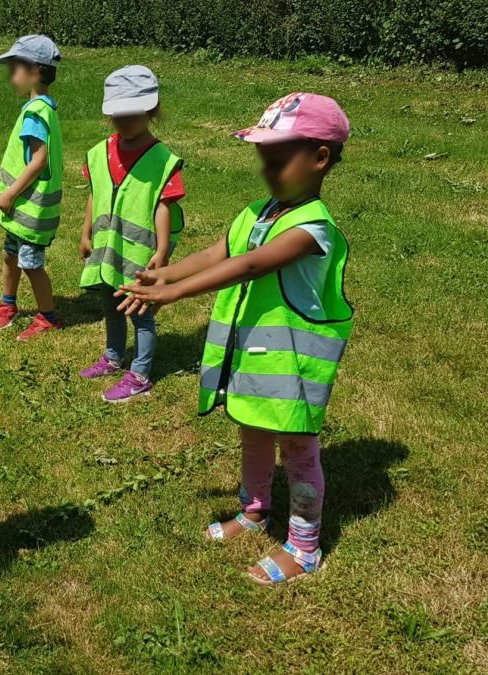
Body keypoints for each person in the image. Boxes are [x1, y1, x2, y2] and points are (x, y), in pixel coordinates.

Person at [117, 93, 354, 585]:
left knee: (298, 451)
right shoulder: (258, 212)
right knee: (251, 433)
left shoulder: (313, 228)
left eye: (278, 158)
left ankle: (305, 546)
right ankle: (255, 511)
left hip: (293, 369)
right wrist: (161, 278)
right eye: (262, 158)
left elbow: (248, 265)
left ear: (320, 158)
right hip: (255, 360)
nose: (266, 169)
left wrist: (176, 293)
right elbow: (219, 252)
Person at [78, 66, 185, 402]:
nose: (123, 122)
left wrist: (163, 249)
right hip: (109, 249)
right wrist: (85, 231)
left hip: (140, 254)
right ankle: (113, 356)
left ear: (150, 111)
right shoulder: (100, 152)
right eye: (117, 115)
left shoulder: (162, 159)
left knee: (139, 312)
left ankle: (139, 373)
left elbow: (163, 205)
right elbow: (95, 193)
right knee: (111, 306)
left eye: (131, 115)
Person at [0, 35, 65, 340]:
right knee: (10, 255)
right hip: (24, 210)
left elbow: (39, 161)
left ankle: (48, 316)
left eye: (15, 68)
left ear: (36, 71)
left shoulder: (35, 113)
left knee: (31, 263)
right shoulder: (44, 108)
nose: (10, 76)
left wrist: (9, 193)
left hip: (29, 208)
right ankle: (8, 304)